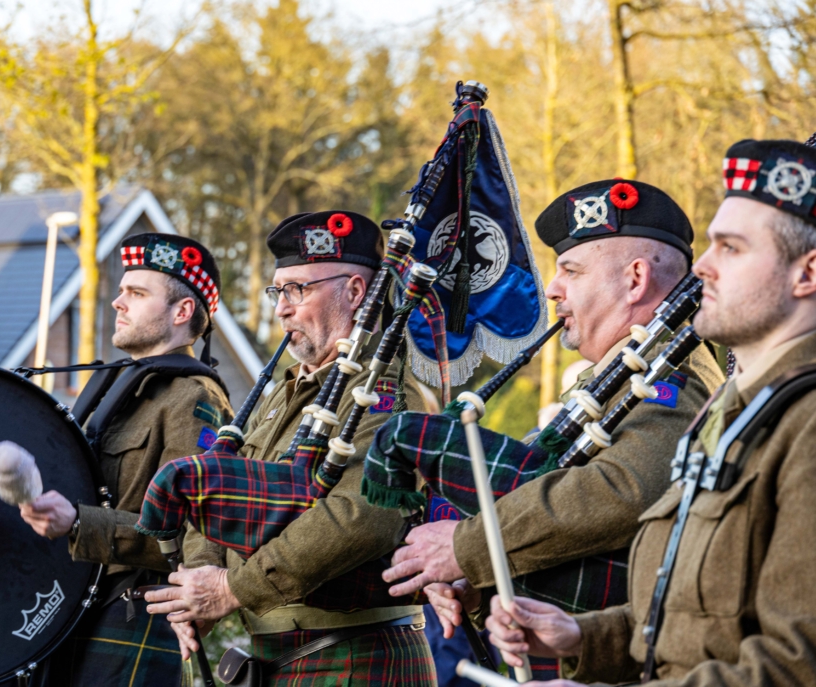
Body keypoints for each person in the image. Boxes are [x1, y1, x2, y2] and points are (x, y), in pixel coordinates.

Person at [485, 138, 816, 686]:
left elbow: (794, 666)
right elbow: (699, 612)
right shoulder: (738, 407)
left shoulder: (804, 422)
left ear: (807, 274)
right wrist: (585, 636)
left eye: (730, 248)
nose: (702, 267)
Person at [381, 181, 724, 678]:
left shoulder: (672, 379)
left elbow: (622, 491)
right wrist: (475, 576)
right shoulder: (620, 378)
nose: (552, 288)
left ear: (635, 280)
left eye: (572, 270)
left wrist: (465, 546)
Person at [145, 211, 437, 685]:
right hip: (279, 653)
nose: (281, 308)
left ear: (355, 293)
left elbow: (364, 517)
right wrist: (199, 582)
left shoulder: (385, 393)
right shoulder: (281, 395)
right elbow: (218, 486)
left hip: (358, 654)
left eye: (298, 289)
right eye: (277, 291)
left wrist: (233, 589)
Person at [18, 233, 233, 687]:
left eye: (137, 293)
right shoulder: (121, 389)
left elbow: (192, 533)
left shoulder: (195, 400)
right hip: (76, 608)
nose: (118, 302)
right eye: (121, 290)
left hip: (135, 612)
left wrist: (79, 523)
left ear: (182, 311)